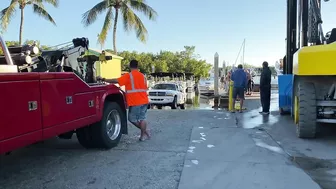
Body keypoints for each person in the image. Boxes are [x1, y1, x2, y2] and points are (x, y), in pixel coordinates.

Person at [97, 59, 151, 141]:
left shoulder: (129, 76)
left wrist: (104, 79)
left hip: (136, 102)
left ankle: (144, 133)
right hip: (144, 100)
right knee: (142, 118)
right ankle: (144, 134)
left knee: (131, 119)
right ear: (137, 66)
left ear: (130, 66)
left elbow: (116, 80)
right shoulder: (143, 76)